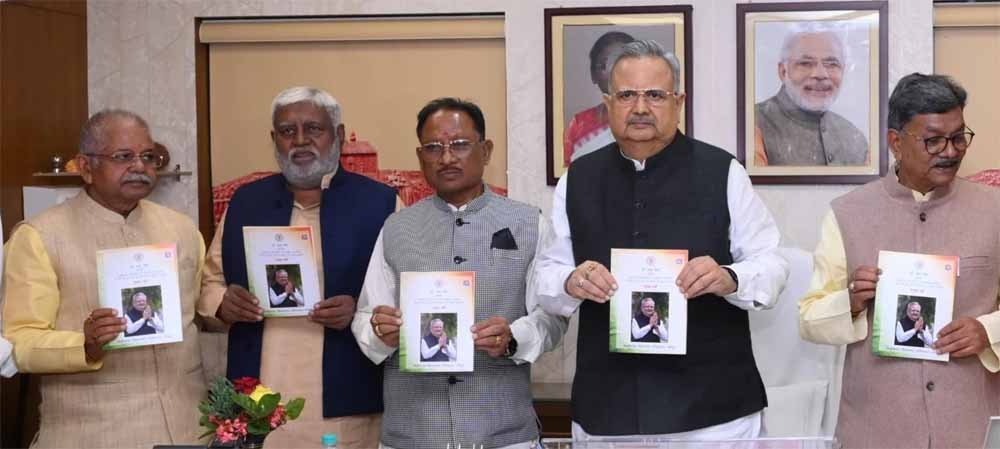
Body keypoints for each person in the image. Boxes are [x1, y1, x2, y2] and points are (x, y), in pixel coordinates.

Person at [534, 40, 788, 439]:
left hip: (712, 412)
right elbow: (546, 275)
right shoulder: (578, 179)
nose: (640, 108)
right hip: (609, 408)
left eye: (654, 95)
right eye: (626, 96)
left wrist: (729, 277)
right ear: (607, 104)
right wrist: (570, 280)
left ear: (678, 102)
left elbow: (772, 264)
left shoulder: (722, 171)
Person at [353, 97, 569, 449]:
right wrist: (379, 333)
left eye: (460, 144)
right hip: (413, 432)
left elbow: (552, 317)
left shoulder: (529, 223)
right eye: (433, 148)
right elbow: (365, 316)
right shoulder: (397, 228)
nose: (447, 157)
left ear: (486, 150)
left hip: (502, 434)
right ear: (420, 156)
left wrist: (513, 338)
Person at [799, 73, 1000, 448]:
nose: (951, 151)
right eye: (934, 140)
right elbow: (809, 319)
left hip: (970, 426)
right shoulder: (847, 213)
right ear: (896, 142)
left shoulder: (994, 209)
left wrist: (989, 331)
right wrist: (851, 302)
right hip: (877, 429)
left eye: (959, 137)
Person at [2, 109, 218, 448]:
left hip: (188, 425)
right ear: (86, 167)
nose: (139, 166)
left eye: (148, 157)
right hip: (94, 430)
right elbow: (20, 340)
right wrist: (84, 344)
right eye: (123, 156)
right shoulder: (40, 236)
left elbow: (197, 312)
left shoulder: (181, 228)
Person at [200, 86, 398, 449]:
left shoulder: (381, 203)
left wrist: (360, 310)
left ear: (338, 135)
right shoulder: (246, 202)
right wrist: (223, 304)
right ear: (274, 139)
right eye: (287, 131)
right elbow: (211, 282)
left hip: (348, 399)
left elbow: (404, 294)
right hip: (258, 398)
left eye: (314, 129)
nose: (300, 141)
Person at [753, 25, 868, 166]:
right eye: (806, 63)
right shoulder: (753, 124)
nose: (820, 74)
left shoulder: (855, 138)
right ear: (783, 72)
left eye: (831, 64)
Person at [563, 31, 636, 166]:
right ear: (593, 75)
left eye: (623, 63)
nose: (614, 72)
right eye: (604, 65)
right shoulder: (579, 124)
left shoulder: (653, 117)